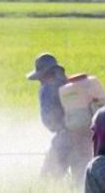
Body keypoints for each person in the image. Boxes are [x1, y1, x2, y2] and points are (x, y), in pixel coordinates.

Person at [27, 53, 91, 183]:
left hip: (64, 139)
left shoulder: (47, 89)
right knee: (82, 183)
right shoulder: (70, 84)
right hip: (87, 137)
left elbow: (50, 121)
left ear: (44, 74)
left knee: (47, 181)